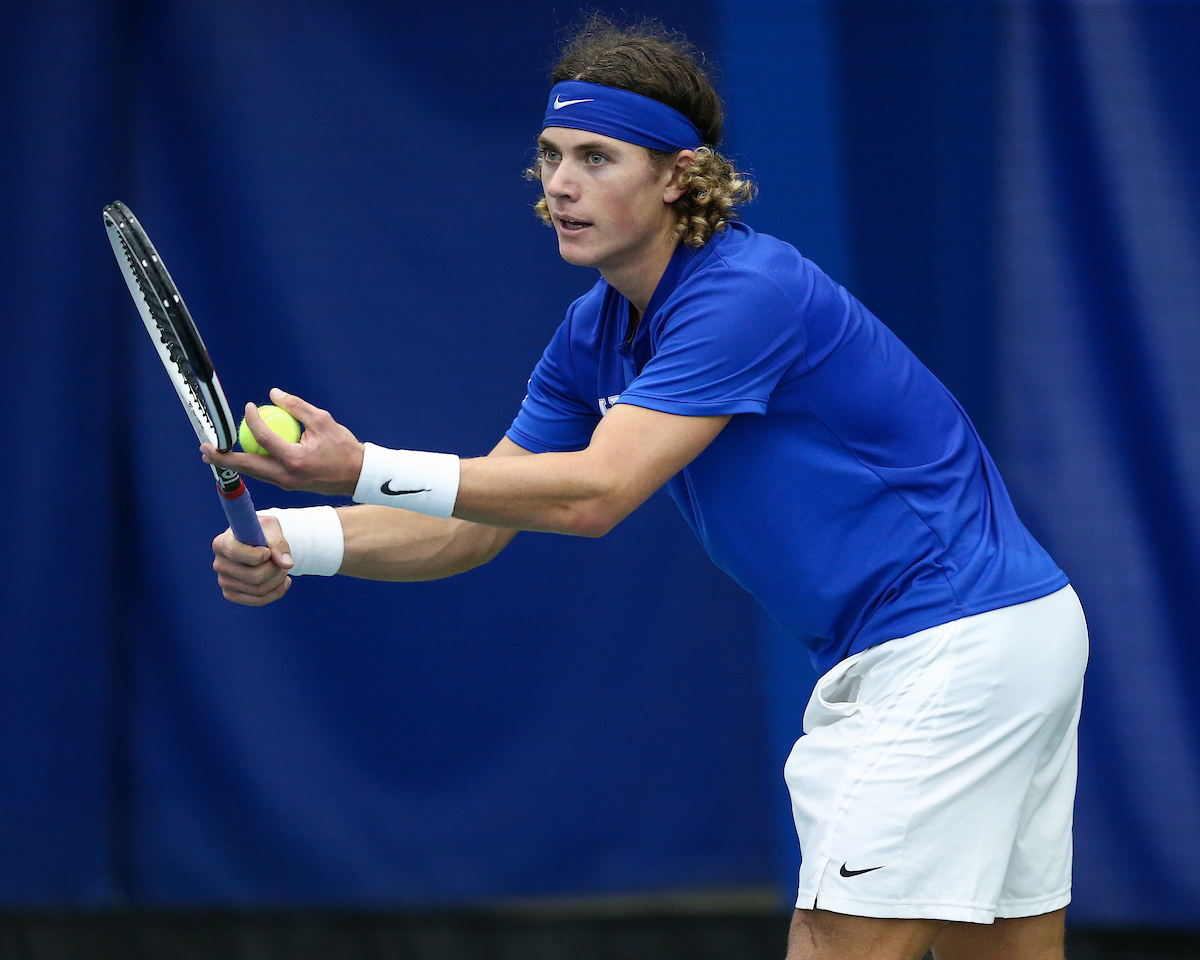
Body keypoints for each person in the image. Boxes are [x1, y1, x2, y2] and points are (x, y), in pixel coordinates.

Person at [204, 19, 1088, 960]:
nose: (561, 184)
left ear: (679, 175)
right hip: (999, 639)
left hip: (949, 644)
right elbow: (474, 525)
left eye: (597, 157)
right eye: (551, 155)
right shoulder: (591, 337)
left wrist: (359, 465)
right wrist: (298, 542)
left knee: (834, 942)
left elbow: (594, 495)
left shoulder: (746, 290)